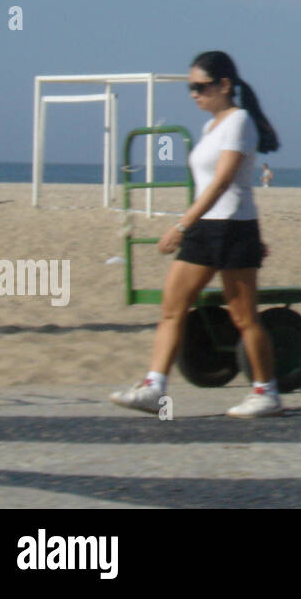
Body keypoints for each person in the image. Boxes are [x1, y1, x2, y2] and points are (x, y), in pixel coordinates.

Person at [111, 51, 284, 419]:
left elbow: (222, 182)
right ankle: (154, 387)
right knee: (172, 308)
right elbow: (209, 183)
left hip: (233, 228)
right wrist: (191, 225)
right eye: (190, 87)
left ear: (224, 85)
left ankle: (266, 392)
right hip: (206, 228)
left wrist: (180, 224)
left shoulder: (239, 122)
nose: (194, 94)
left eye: (201, 87)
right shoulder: (210, 127)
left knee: (244, 318)